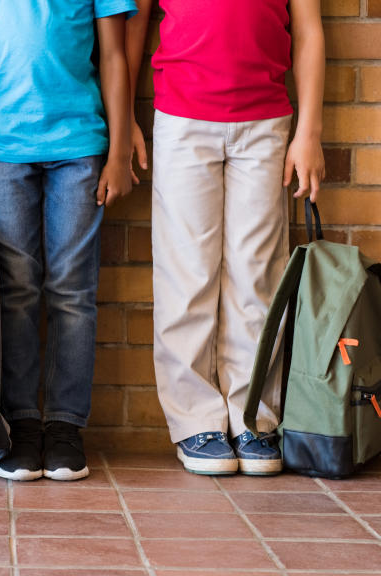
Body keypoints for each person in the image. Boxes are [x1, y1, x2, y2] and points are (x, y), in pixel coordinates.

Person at [127, 0, 326, 475]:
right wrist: (125, 119)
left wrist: (309, 132)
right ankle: (195, 419)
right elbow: (134, 21)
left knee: (256, 275)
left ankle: (252, 415)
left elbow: (309, 29)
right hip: (182, 120)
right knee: (187, 274)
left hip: (265, 124)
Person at [0, 0, 137, 481]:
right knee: (16, 292)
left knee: (73, 291)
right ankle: (22, 424)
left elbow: (114, 55)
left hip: (78, 149)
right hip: (1, 149)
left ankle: (64, 425)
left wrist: (119, 154)